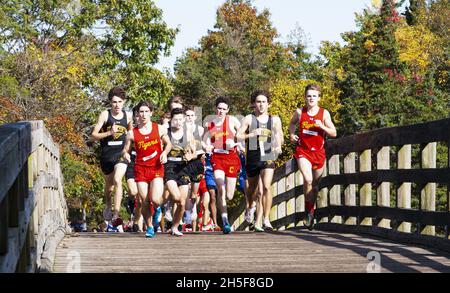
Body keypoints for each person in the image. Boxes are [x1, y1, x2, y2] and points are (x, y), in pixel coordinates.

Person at [288, 83, 337, 230]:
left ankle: (310, 210)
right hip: (303, 151)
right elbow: (291, 124)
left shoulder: (324, 113)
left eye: (314, 96)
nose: (311, 98)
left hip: (318, 153)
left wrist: (321, 126)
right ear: (305, 97)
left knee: (314, 186)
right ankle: (308, 213)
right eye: (308, 96)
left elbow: (334, 133)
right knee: (307, 179)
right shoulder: (299, 112)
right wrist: (291, 134)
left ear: (319, 98)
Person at [122, 100, 171, 238]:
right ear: (137, 114)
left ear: (151, 113)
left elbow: (168, 144)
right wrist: (125, 154)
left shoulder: (159, 128)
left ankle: (158, 208)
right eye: (141, 112)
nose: (143, 115)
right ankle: (149, 227)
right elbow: (125, 149)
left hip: (156, 167)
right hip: (140, 168)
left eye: (146, 112)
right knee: (143, 199)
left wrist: (164, 153)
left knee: (155, 199)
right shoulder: (132, 133)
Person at [237, 90, 283, 232]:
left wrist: (279, 145)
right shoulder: (249, 119)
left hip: (268, 155)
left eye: (264, 102)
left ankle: (265, 220)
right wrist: (252, 133)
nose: (261, 104)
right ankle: (250, 206)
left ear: (268, 104)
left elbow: (279, 134)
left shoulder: (274, 119)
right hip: (253, 156)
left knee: (266, 187)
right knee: (253, 190)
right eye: (258, 102)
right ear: (254, 104)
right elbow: (238, 135)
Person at [91, 87, 132, 232]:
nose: (117, 105)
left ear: (124, 102)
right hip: (107, 155)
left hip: (121, 154)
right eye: (114, 102)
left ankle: (116, 214)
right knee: (109, 188)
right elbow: (94, 135)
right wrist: (109, 132)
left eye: (120, 102)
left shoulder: (128, 116)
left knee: (117, 179)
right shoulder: (104, 115)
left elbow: (131, 136)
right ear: (110, 102)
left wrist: (128, 150)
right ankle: (108, 205)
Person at [204, 96, 242, 234]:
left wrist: (238, 143)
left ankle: (225, 198)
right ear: (215, 108)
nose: (221, 111)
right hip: (217, 158)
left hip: (231, 158)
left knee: (230, 195)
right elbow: (205, 140)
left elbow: (242, 134)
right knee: (220, 188)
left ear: (228, 110)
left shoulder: (232, 120)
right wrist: (206, 146)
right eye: (219, 108)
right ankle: (225, 221)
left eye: (224, 109)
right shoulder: (210, 123)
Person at [164, 107, 197, 236]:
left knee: (182, 202)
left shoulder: (188, 134)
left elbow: (194, 152)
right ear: (171, 120)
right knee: (176, 198)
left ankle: (175, 227)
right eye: (175, 119)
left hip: (183, 168)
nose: (178, 122)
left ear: (183, 120)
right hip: (169, 167)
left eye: (180, 119)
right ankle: (163, 207)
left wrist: (190, 156)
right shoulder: (165, 133)